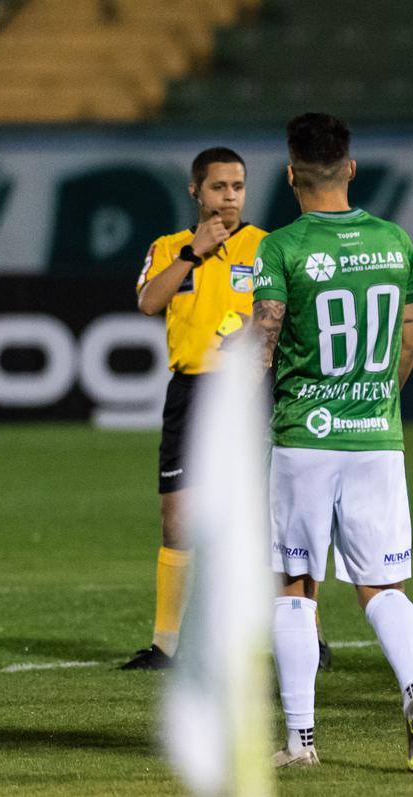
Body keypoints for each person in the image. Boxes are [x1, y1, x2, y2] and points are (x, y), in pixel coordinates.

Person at [252, 113, 413, 772]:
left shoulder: (279, 248)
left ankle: (301, 741)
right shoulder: (396, 242)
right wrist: (375, 401)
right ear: (350, 168)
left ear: (290, 173)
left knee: (296, 587)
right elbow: (411, 343)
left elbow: (261, 350)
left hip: (306, 436)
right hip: (376, 437)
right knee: (383, 587)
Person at [126, 147, 267, 670]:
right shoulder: (168, 248)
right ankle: (166, 644)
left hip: (248, 390)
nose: (229, 197)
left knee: (269, 518)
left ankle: (307, 634)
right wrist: (193, 253)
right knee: (177, 516)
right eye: (218, 187)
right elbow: (147, 302)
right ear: (195, 191)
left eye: (237, 187)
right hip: (188, 392)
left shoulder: (265, 247)